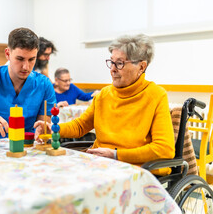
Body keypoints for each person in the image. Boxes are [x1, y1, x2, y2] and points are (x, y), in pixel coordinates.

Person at [35, 34, 175, 175]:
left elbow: (164, 149)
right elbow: (80, 126)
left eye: (119, 63)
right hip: (101, 164)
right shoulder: (104, 95)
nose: (112, 69)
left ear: (141, 67)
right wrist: (53, 129)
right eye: (111, 62)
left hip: (134, 170)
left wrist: (115, 154)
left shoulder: (156, 95)